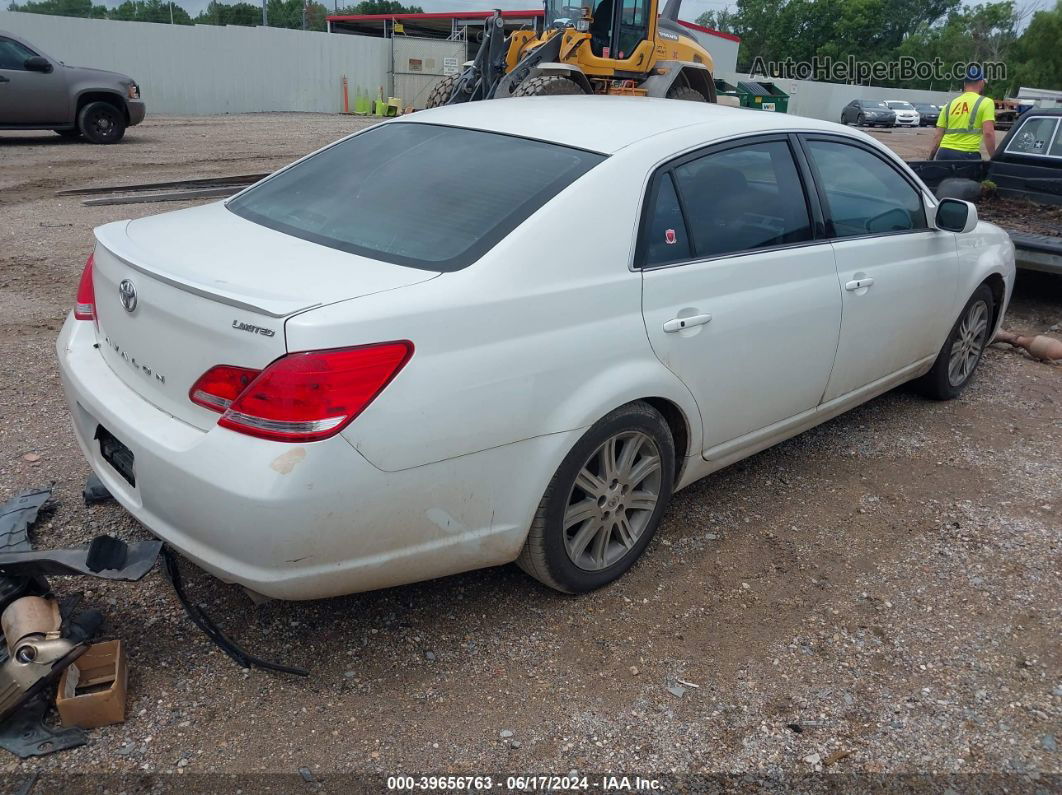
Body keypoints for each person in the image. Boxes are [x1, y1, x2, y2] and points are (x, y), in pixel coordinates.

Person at [929, 64, 996, 160]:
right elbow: (988, 133)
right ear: (981, 83)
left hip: (944, 153)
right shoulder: (986, 102)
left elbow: (937, 136)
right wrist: (994, 158)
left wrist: (930, 158)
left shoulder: (949, 105)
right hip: (967, 156)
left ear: (965, 84)